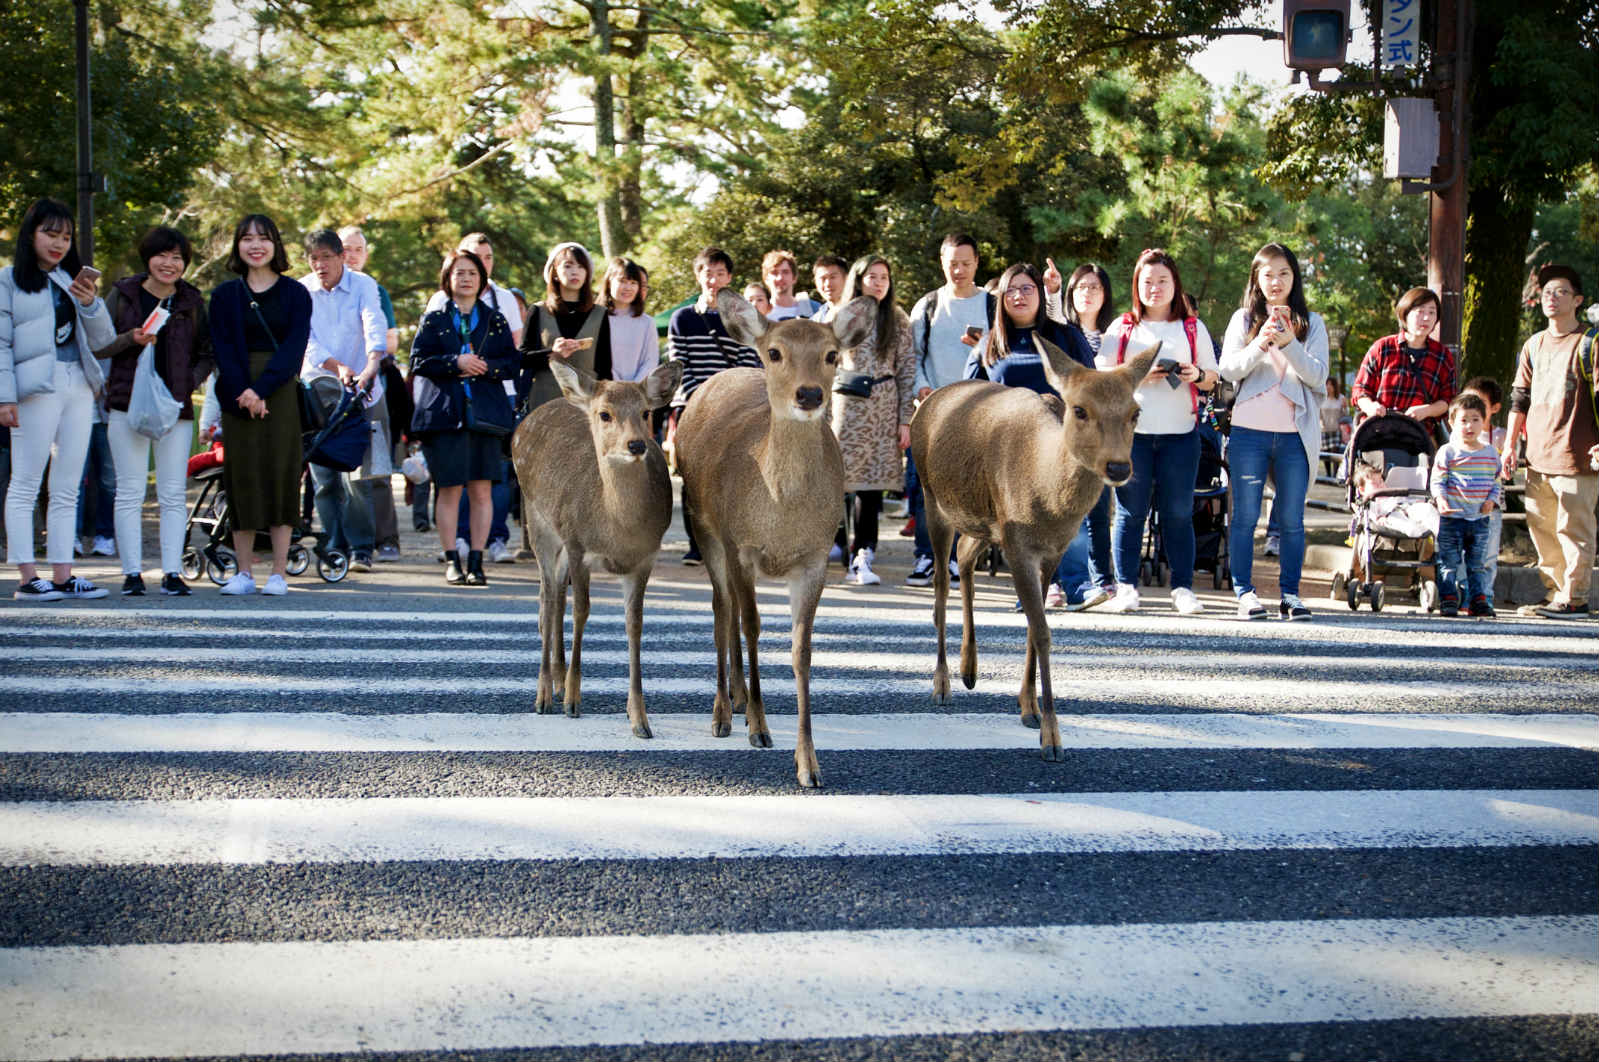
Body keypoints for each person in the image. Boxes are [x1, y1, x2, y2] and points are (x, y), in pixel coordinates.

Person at [965, 262, 1100, 609]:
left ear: (1040, 294)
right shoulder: (990, 343)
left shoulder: (1064, 335)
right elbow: (971, 394)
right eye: (1011, 289)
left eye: (1027, 288)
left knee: (1070, 512)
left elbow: (1090, 382)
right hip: (1008, 449)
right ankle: (1038, 587)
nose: (1019, 296)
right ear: (1001, 298)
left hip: (1060, 444)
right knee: (1021, 520)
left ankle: (1077, 585)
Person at [0, 197, 115, 601]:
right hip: (34, 388)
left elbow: (103, 341)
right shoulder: (8, 279)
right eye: (50, 233)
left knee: (69, 485)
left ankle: (64, 575)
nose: (59, 243)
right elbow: (0, 342)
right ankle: (28, 577)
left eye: (66, 236)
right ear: (30, 234)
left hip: (78, 384)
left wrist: (90, 303)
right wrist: (4, 397)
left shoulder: (72, 280)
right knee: (26, 482)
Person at [1099, 248, 1219, 615]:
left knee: (1179, 513)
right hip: (1131, 436)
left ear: (1175, 284)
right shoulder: (1122, 327)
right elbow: (1101, 377)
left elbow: (1214, 379)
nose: (1155, 288)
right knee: (1129, 513)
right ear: (1137, 285)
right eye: (1147, 281)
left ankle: (1182, 587)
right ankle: (1126, 586)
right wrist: (1135, 373)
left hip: (1181, 434)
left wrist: (1195, 375)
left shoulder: (1192, 328)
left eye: (1162, 281)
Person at [1218, 242, 1330, 622]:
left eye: (1283, 273)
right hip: (1249, 430)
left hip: (1293, 435)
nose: (1276, 281)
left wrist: (1290, 344)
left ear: (1294, 277)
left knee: (1291, 517)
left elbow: (1318, 376)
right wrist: (1261, 342)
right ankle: (1244, 593)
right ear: (1256, 279)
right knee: (1246, 516)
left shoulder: (1312, 322)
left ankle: (1291, 594)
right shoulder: (1243, 319)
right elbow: (1229, 370)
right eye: (1267, 274)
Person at [98, 225, 213, 596]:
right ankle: (132, 573)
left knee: (172, 493)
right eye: (162, 255)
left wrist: (186, 384)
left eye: (177, 257)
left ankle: (172, 572)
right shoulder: (124, 294)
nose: (169, 263)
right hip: (125, 403)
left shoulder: (191, 302)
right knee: (129, 490)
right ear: (147, 258)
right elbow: (98, 345)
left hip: (174, 408)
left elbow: (206, 354)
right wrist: (129, 339)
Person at [209, 214, 312, 596]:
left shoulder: (296, 294)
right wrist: (244, 393)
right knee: (243, 476)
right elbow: (223, 349)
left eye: (263, 238)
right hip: (237, 392)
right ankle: (244, 572)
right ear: (237, 245)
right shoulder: (224, 296)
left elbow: (293, 350)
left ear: (276, 245)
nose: (255, 245)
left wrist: (262, 390)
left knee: (282, 473)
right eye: (247, 238)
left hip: (279, 391)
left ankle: (280, 573)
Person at [410, 250, 518, 587]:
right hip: (445, 417)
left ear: (481, 280)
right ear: (448, 278)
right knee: (450, 490)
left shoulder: (495, 319)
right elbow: (418, 361)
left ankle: (477, 559)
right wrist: (454, 363)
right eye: (459, 272)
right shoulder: (435, 319)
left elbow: (512, 363)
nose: (466, 278)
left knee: (482, 490)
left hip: (484, 416)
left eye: (472, 272)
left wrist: (485, 367)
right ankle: (452, 560)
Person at [1502, 264, 1596, 618]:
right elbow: (1518, 398)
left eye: (1560, 292)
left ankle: (1576, 597)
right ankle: (1556, 592)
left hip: (1578, 454)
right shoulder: (1533, 344)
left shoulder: (1590, 343)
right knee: (1543, 530)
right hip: (1537, 456)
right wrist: (1510, 444)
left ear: (1578, 300)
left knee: (1575, 529)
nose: (1552, 299)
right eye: (1546, 293)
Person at [904, 234, 995, 587]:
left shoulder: (992, 305)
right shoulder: (927, 305)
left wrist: (983, 345)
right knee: (928, 490)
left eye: (966, 263)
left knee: (968, 490)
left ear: (976, 263)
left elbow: (1004, 353)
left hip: (979, 412)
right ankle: (927, 556)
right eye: (952, 263)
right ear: (942, 263)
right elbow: (912, 356)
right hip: (933, 412)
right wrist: (921, 389)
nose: (958, 270)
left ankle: (961, 557)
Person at [299, 229, 387, 572]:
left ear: (341, 258)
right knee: (324, 478)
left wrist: (371, 364)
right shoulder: (302, 289)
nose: (320, 265)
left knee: (358, 477)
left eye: (326, 257)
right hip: (319, 389)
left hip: (361, 390)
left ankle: (362, 547)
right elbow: (307, 340)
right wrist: (338, 367)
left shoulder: (363, 284)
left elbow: (373, 323)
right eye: (314, 258)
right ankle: (333, 543)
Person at [667, 246, 761, 565]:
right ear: (699, 275)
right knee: (693, 477)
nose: (714, 279)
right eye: (708, 272)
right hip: (696, 407)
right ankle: (698, 544)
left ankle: (734, 541)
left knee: (739, 474)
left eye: (721, 273)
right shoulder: (682, 319)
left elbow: (750, 362)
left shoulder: (744, 317)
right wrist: (704, 401)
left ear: (730, 278)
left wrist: (732, 400)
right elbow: (680, 365)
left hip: (738, 408)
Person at [831, 255, 915, 585]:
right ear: (859, 279)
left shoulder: (897, 319)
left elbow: (907, 369)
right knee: (838, 480)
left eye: (884, 277)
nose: (879, 283)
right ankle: (837, 543)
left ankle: (864, 553)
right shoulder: (842, 314)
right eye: (872, 276)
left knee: (872, 485)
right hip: (847, 405)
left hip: (884, 404)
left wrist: (904, 419)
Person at [1045, 260, 1118, 609]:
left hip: (1106, 437)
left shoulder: (1117, 334)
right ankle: (1056, 581)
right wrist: (1053, 291)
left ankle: (1102, 577)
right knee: (1064, 509)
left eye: (1095, 287)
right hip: (1069, 434)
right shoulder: (1064, 332)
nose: (1087, 293)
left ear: (1105, 295)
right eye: (1081, 287)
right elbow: (1050, 320)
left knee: (1099, 509)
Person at [339, 226, 404, 562]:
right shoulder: (319, 289)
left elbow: (391, 340)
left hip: (372, 387)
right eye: (345, 249)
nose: (350, 255)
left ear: (365, 255)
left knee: (377, 466)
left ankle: (387, 538)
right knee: (337, 473)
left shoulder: (375, 290)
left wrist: (366, 357)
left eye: (357, 250)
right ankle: (347, 541)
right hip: (331, 385)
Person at [1431, 392, 1502, 617]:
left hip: (1479, 519)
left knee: (1477, 563)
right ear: (1452, 423)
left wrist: (1491, 500)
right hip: (1452, 518)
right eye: (1463, 420)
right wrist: (1441, 501)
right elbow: (1437, 481)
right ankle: (1449, 599)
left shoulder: (1491, 453)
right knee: (1449, 562)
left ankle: (1478, 600)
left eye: (1475, 420)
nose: (1469, 426)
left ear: (1484, 422)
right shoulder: (1448, 452)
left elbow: (1497, 481)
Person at [1352, 287, 1457, 434]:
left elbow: (1449, 400)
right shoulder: (1383, 347)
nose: (1426, 318)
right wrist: (1371, 407)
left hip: (1419, 437)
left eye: (1432, 312)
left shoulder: (1442, 355)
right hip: (1377, 432)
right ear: (1405, 314)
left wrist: (1426, 410)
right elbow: (1360, 390)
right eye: (1420, 311)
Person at [425, 232, 525, 347]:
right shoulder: (441, 299)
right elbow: (426, 350)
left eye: (488, 257)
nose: (483, 263)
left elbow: (516, 346)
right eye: (476, 257)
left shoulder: (506, 298)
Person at [1459, 375, 1505, 595]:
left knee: (1487, 555)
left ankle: (1484, 595)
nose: (1472, 407)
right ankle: (1463, 595)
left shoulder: (1500, 437)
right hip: (1462, 504)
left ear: (1494, 408)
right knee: (1461, 554)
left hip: (1490, 506)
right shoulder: (1455, 437)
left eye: (1479, 403)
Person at [605, 257, 660, 383]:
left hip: (638, 393)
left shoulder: (647, 322)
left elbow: (650, 361)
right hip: (604, 389)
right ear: (609, 282)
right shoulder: (597, 318)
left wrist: (633, 386)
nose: (628, 288)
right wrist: (617, 384)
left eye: (633, 283)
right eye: (622, 281)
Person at [762, 249, 821, 321]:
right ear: (766, 279)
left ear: (794, 278)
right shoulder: (761, 314)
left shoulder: (814, 310)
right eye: (774, 273)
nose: (780, 278)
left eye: (785, 272)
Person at [810, 255, 849, 324]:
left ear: (846, 279)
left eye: (833, 277)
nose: (827, 284)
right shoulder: (815, 320)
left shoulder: (860, 313)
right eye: (823, 278)